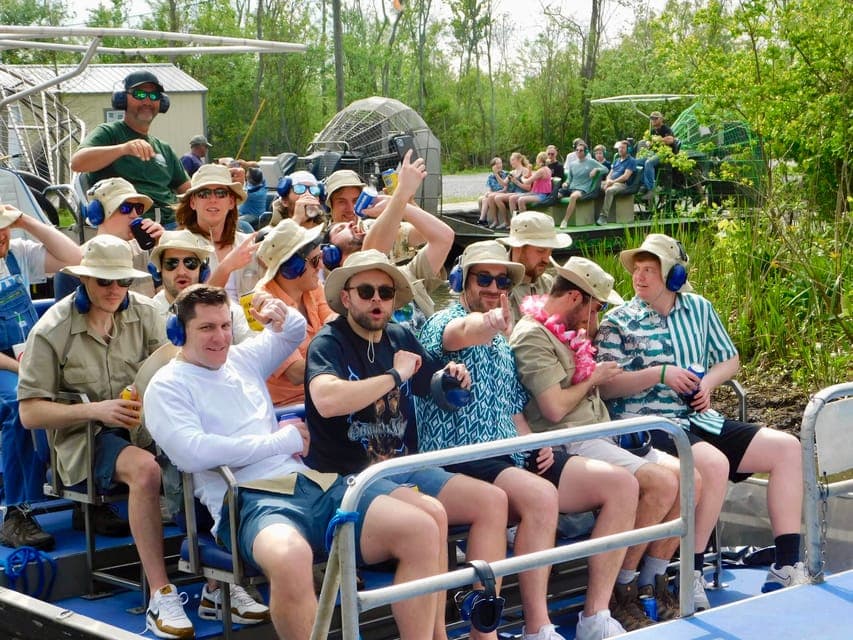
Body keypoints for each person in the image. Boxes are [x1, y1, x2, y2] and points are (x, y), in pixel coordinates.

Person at [144, 284, 448, 639]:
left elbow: (292, 329)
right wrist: (278, 442)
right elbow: (192, 452)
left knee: (421, 528)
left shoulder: (242, 358)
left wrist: (274, 308)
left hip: (312, 481)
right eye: (207, 328)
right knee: (290, 558)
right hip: (250, 500)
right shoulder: (166, 386)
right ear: (179, 333)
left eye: (226, 326)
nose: (221, 337)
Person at [415, 240, 629, 640]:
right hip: (463, 456)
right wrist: (490, 324)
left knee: (621, 483)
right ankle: (536, 625)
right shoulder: (443, 322)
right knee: (540, 496)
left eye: (501, 279)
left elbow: (514, 410)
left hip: (508, 455)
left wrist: (533, 443)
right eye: (484, 278)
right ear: (463, 279)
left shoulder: (502, 342)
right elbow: (461, 333)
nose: (494, 287)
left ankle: (595, 614)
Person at [304, 249, 509, 640]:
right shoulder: (328, 342)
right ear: (346, 298)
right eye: (366, 291)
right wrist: (394, 375)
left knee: (491, 501)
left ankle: (483, 634)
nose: (377, 300)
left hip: (401, 469)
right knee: (428, 518)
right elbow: (327, 401)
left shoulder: (399, 335)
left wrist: (454, 375)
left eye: (385, 291)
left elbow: (433, 385)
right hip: (348, 479)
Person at [595, 233, 809, 601]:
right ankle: (690, 574)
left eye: (651, 269)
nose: (640, 277)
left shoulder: (700, 308)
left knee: (787, 448)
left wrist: (707, 384)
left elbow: (731, 359)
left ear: (674, 276)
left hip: (699, 418)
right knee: (713, 463)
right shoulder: (618, 321)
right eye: (637, 270)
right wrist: (660, 374)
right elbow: (607, 388)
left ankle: (786, 566)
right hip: (650, 425)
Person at [15, 236, 194, 639]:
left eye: (122, 282)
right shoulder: (52, 330)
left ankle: (219, 584)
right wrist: (96, 410)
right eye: (103, 282)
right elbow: (29, 414)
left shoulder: (148, 314)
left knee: (201, 455)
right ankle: (161, 594)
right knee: (146, 470)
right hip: (83, 439)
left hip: (145, 426)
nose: (114, 290)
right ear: (84, 280)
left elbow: (172, 370)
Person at [510, 257, 693, 628]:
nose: (601, 315)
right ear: (576, 298)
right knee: (658, 483)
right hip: (570, 441)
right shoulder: (532, 335)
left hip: (599, 433)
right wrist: (593, 378)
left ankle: (645, 583)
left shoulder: (566, 331)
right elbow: (555, 409)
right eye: (599, 306)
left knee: (688, 477)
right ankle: (615, 593)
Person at [0, 202, 82, 550]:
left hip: (30, 359)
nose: (2, 235)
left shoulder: (15, 254)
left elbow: (74, 257)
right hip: (8, 365)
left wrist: (26, 221)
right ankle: (16, 512)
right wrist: (28, 371)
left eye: (3, 226)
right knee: (21, 406)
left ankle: (87, 500)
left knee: (88, 389)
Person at [70, 70, 190, 229]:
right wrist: (123, 149)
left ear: (162, 103)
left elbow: (189, 191)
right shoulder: (109, 133)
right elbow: (77, 163)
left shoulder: (165, 149)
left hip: (174, 223)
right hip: (133, 226)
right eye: (140, 95)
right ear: (122, 99)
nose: (147, 101)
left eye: (154, 96)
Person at [255, 219, 333, 407]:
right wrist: (344, 354)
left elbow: (333, 322)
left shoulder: (312, 286)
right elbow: (296, 372)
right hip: (288, 409)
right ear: (291, 268)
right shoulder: (262, 306)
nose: (321, 266)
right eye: (315, 261)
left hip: (325, 392)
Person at [54, 177, 165, 300]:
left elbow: (169, 304)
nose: (134, 214)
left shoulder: (148, 251)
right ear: (98, 213)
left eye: (138, 208)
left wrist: (165, 248)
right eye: (125, 208)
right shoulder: (75, 265)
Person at [174, 163, 260, 303]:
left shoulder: (249, 244)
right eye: (204, 193)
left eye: (221, 193)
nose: (213, 199)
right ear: (193, 203)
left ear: (231, 202)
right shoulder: (178, 246)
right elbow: (186, 307)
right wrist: (226, 267)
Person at [149, 229, 253, 343]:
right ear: (158, 271)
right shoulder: (148, 314)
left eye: (190, 263)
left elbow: (253, 349)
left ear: (203, 270)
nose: (181, 272)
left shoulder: (227, 308)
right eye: (171, 263)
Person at [496, 211, 572, 323]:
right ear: (518, 248)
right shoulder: (494, 286)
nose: (546, 259)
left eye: (550, 251)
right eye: (540, 251)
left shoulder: (549, 284)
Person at [558, 143, 608, 229]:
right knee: (556, 195)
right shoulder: (572, 164)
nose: (578, 152)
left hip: (583, 189)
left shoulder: (591, 162)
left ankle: (565, 221)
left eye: (581, 150)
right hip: (571, 187)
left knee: (573, 196)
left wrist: (597, 169)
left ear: (585, 152)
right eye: (577, 150)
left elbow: (606, 169)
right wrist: (566, 183)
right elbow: (569, 179)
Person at [597, 141, 637, 226]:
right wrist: (608, 181)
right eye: (619, 148)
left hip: (623, 184)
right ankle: (593, 215)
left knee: (609, 191)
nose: (620, 149)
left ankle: (603, 216)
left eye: (623, 148)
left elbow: (625, 177)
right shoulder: (617, 160)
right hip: (611, 182)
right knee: (595, 186)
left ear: (628, 150)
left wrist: (612, 182)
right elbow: (610, 174)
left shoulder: (631, 161)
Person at [490, 152, 531, 230]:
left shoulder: (525, 171)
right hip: (514, 193)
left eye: (513, 160)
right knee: (497, 198)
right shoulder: (512, 172)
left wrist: (516, 182)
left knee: (510, 197)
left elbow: (528, 188)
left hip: (523, 193)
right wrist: (496, 174)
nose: (511, 162)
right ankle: (506, 221)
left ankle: (515, 221)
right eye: (510, 160)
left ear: (519, 160)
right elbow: (503, 184)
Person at [641, 112, 676, 198]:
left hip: (666, 154)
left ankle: (651, 189)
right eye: (652, 118)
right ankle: (643, 185)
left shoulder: (666, 129)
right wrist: (648, 143)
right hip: (654, 153)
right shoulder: (652, 131)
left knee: (649, 163)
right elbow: (648, 142)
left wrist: (658, 140)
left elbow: (671, 140)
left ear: (661, 119)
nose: (653, 120)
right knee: (637, 162)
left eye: (655, 118)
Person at [477, 157, 508, 226]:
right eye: (497, 164)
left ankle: (483, 221)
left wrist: (493, 193)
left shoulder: (506, 174)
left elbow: (505, 190)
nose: (499, 165)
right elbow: (490, 189)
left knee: (489, 197)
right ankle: (482, 220)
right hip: (494, 194)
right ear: (493, 166)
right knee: (484, 199)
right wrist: (488, 193)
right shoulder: (491, 177)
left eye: (500, 163)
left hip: (503, 193)